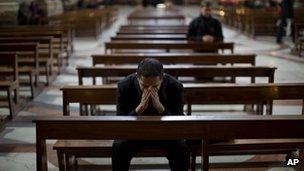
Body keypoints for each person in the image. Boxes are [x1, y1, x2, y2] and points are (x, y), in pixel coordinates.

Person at [112, 58, 190, 171]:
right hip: (135, 131)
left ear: (162, 78)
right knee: (119, 147)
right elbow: (120, 121)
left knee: (181, 148)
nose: (149, 90)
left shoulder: (175, 86)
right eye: (144, 86)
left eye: (154, 87)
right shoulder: (124, 86)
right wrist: (138, 109)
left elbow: (178, 121)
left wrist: (161, 109)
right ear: (137, 77)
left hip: (164, 131)